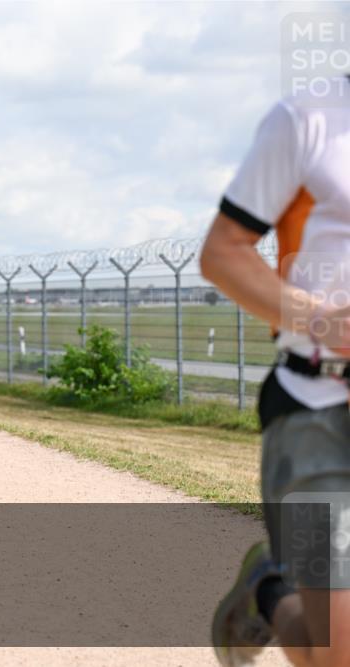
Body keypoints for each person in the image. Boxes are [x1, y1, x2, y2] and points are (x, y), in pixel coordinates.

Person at [202, 79, 349, 667]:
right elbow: (223, 252)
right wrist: (319, 321)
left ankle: (268, 591)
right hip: (316, 410)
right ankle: (271, 589)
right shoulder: (307, 119)